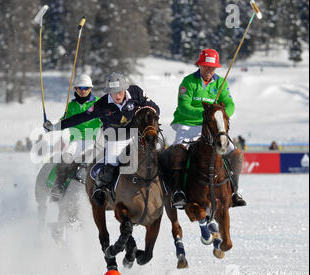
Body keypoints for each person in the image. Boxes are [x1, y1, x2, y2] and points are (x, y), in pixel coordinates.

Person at [44, 72, 160, 206]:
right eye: (113, 92)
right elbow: (80, 118)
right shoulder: (102, 105)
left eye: (119, 92)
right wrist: (56, 127)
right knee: (110, 168)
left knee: (152, 159)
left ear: (125, 89)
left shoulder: (136, 92)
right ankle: (100, 190)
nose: (117, 95)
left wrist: (147, 116)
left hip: (136, 136)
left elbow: (153, 107)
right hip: (115, 139)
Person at [169, 49, 246, 209]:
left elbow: (230, 105)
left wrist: (220, 115)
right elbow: (184, 107)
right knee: (179, 152)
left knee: (235, 154)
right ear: (200, 65)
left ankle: (234, 191)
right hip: (188, 123)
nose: (209, 70)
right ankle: (178, 192)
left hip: (212, 127)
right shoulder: (188, 82)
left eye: (212, 67)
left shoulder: (220, 83)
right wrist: (207, 114)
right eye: (206, 66)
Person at [50, 74, 102, 201]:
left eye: (86, 88)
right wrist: (50, 126)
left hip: (93, 140)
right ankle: (59, 186)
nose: (83, 91)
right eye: (80, 88)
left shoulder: (98, 103)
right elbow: (64, 121)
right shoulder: (71, 106)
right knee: (66, 156)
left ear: (90, 89)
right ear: (76, 89)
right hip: (76, 141)